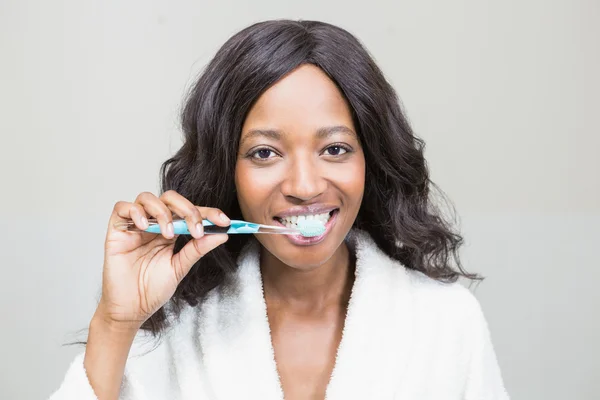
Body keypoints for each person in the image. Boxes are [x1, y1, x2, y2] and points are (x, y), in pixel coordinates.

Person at [49, 19, 509, 400]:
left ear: (372, 159)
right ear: (226, 168)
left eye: (335, 148)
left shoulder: (448, 323)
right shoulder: (170, 329)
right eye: (265, 153)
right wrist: (115, 322)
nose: (305, 186)